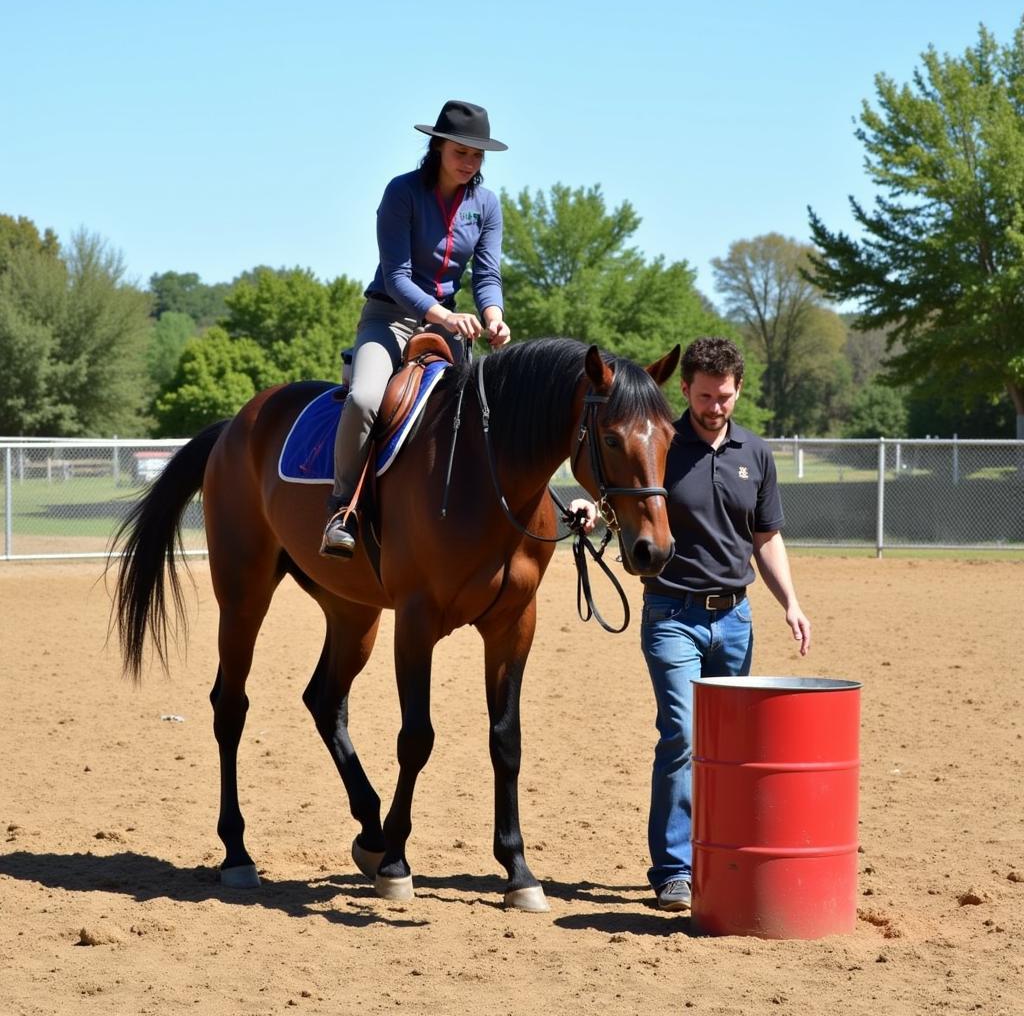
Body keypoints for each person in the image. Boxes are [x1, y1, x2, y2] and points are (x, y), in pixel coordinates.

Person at [571, 336, 811, 912]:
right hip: (671, 614)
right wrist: (588, 511)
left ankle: (721, 852)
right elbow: (621, 496)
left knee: (730, 744)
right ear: (685, 389)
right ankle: (674, 869)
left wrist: (791, 602)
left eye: (724, 396)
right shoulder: (664, 441)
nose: (715, 407)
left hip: (735, 617)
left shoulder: (756, 453)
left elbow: (766, 538)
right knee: (680, 734)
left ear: (738, 391)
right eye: (705, 395)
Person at [320, 100, 512, 558]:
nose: (469, 163)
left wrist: (493, 316)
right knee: (367, 398)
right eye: (461, 152)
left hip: (454, 324)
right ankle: (342, 508)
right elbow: (397, 277)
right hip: (390, 316)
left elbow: (486, 275)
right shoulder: (402, 192)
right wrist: (443, 317)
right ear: (438, 147)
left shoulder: (486, 205)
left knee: (486, 413)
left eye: (477, 156)